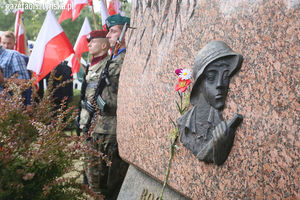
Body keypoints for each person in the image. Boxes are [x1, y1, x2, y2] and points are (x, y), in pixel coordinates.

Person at [177, 41, 243, 165]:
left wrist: (221, 146)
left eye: (225, 76)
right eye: (212, 77)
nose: (220, 84)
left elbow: (218, 159)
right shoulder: (184, 124)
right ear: (199, 85)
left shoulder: (221, 126)